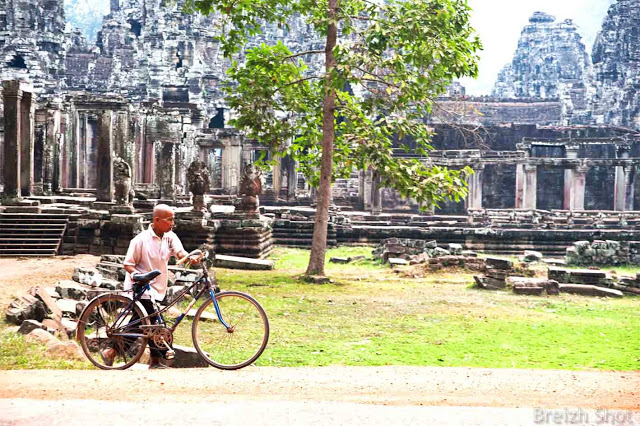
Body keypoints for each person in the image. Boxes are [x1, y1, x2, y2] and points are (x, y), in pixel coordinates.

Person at [102, 204, 201, 369]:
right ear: (156, 220)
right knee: (147, 322)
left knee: (150, 323)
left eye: (173, 220)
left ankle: (154, 360)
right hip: (139, 286)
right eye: (169, 220)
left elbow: (180, 252)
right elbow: (128, 264)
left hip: (158, 287)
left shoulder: (170, 237)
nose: (172, 223)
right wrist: (138, 276)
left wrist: (190, 258)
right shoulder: (140, 240)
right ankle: (112, 351)